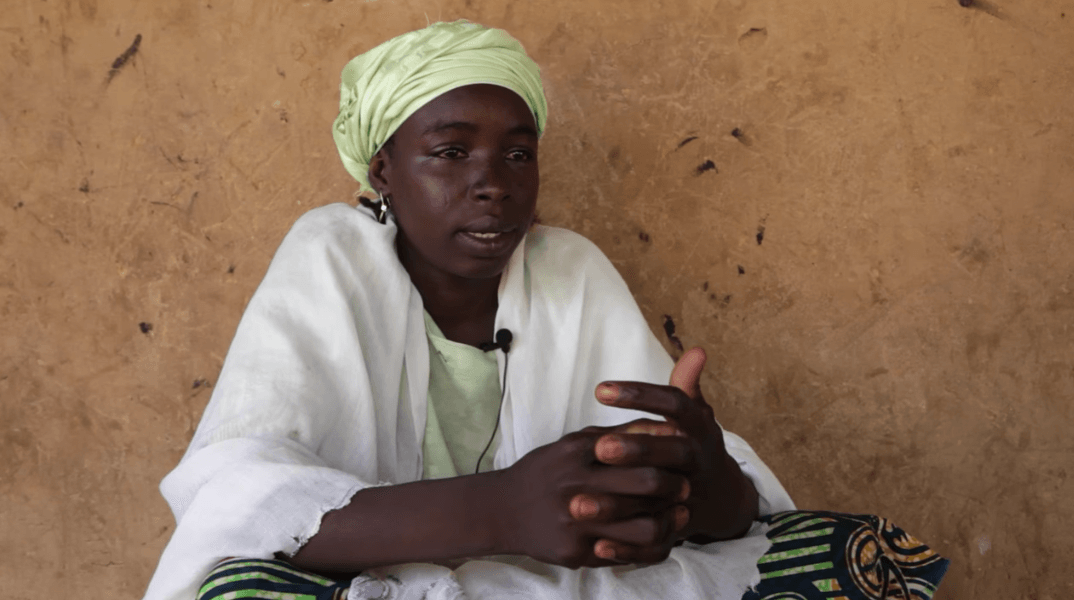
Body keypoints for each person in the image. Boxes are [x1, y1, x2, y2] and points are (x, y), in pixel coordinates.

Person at [141, 20, 949, 600]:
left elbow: (703, 514)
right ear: (383, 169)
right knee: (243, 593)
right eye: (451, 152)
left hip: (550, 583)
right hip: (387, 584)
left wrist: (705, 480)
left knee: (851, 553)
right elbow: (240, 499)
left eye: (518, 153)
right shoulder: (330, 255)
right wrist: (501, 508)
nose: (493, 181)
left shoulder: (570, 269)